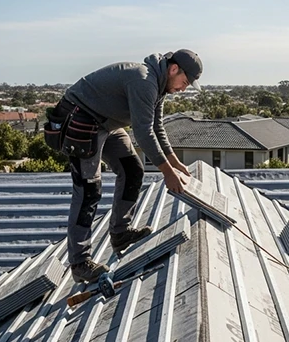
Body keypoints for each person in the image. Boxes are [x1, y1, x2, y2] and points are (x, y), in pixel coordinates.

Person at [50, 49, 202, 282]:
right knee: (88, 190)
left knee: (132, 169)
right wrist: (167, 173)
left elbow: (156, 127)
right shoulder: (144, 80)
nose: (183, 88)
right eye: (185, 82)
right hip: (82, 120)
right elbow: (142, 133)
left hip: (106, 123)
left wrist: (174, 162)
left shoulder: (160, 86)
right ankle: (80, 263)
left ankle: (120, 233)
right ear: (174, 69)